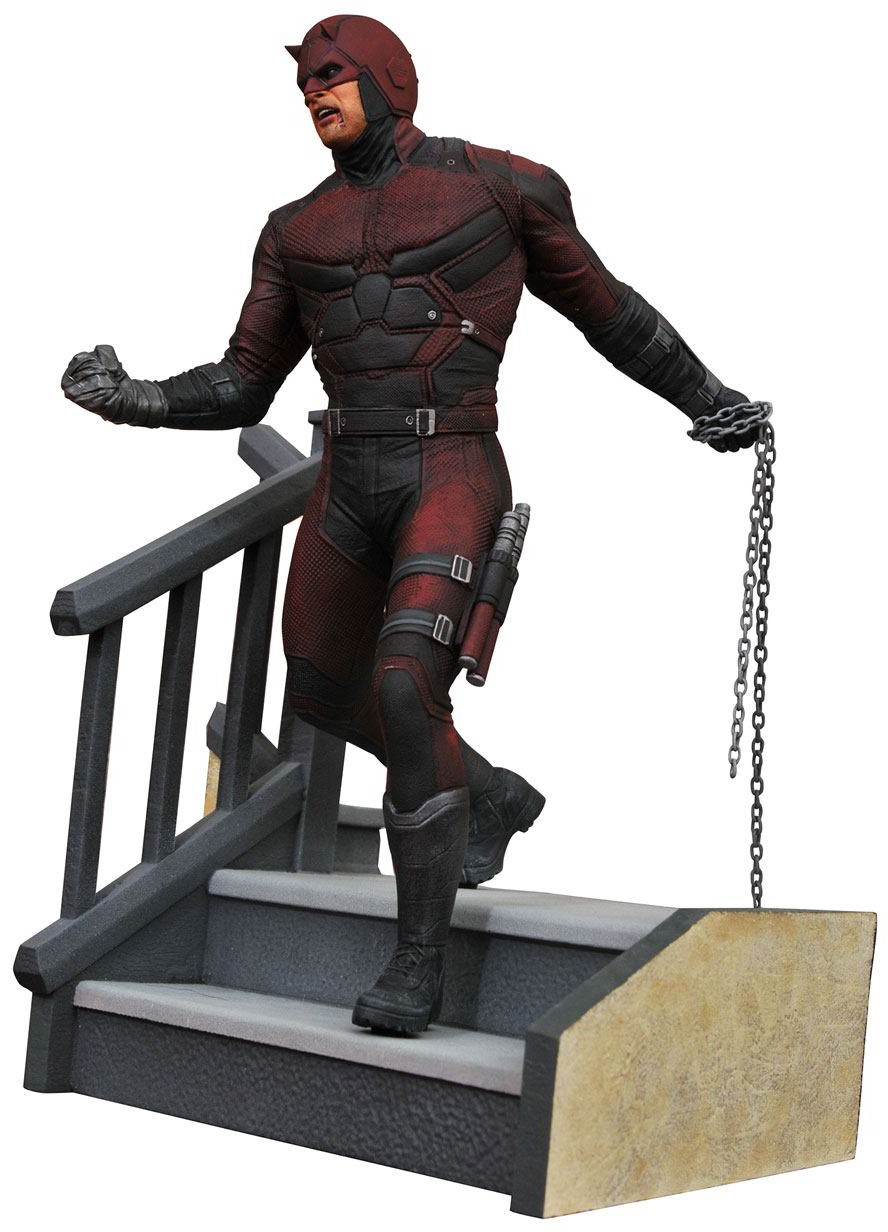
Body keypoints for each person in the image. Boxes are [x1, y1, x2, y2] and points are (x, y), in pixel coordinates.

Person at [61, 14, 756, 1035]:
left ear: (388, 76)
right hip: (349, 478)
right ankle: (490, 791)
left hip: (451, 466)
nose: (314, 93)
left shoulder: (502, 187)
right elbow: (245, 381)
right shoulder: (294, 229)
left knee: (403, 680)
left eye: (331, 74)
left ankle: (418, 958)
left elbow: (609, 310)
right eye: (305, 84)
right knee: (320, 687)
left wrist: (706, 397)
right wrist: (137, 398)